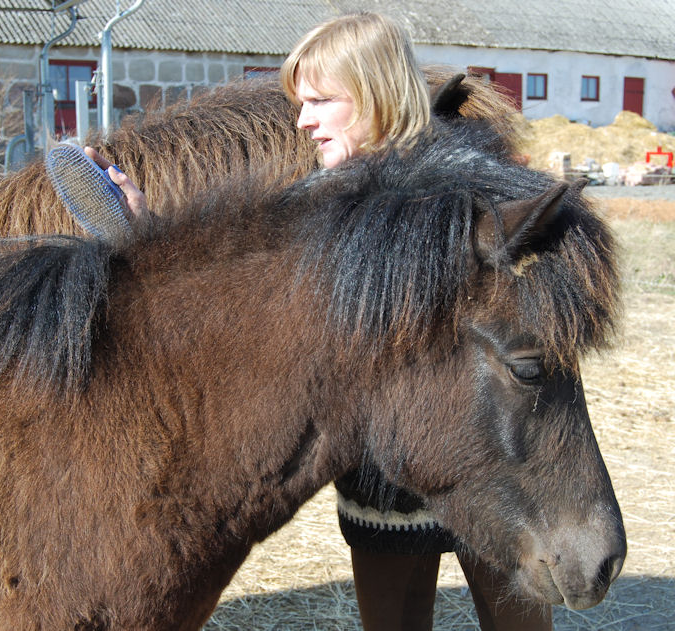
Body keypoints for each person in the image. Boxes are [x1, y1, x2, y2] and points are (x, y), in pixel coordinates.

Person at [85, 12, 552, 631]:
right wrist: (144, 228)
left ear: (378, 91)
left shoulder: (472, 181)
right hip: (383, 479)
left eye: (322, 100)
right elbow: (240, 298)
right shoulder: (316, 202)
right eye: (300, 102)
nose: (303, 120)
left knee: (521, 622)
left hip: (489, 453)